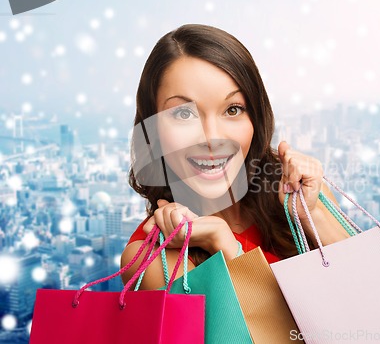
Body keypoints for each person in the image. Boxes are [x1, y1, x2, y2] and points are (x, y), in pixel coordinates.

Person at [121, 24, 350, 289]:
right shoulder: (152, 259)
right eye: (184, 114)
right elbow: (280, 330)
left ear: (255, 116)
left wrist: (314, 216)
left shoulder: (304, 195)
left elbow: (374, 292)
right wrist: (225, 245)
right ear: (152, 129)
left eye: (232, 109)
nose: (211, 138)